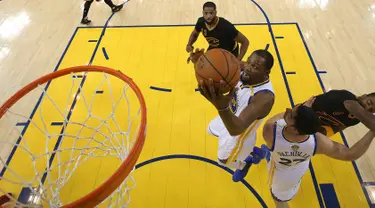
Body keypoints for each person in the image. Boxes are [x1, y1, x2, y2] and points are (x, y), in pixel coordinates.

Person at [262, 98, 375, 208]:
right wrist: (372, 132)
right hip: (298, 169)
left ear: (295, 130)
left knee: (278, 200)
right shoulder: (318, 141)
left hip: (280, 176)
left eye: (290, 113)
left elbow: (273, 120)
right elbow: (351, 154)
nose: (287, 110)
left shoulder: (270, 132)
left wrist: (302, 110)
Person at [198, 49, 274, 182]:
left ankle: (245, 163)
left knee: (222, 161)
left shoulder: (264, 97)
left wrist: (221, 106)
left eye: (255, 67)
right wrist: (200, 63)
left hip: (239, 133)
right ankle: (254, 152)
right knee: (210, 129)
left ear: (266, 73)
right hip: (229, 116)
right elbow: (219, 70)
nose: (248, 67)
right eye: (249, 61)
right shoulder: (244, 69)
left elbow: (236, 129)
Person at [307, 90, 375, 136]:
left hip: (318, 126)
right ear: (364, 96)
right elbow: (313, 102)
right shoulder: (342, 97)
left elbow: (340, 127)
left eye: (371, 110)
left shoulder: (357, 119)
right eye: (369, 103)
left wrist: (323, 134)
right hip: (308, 112)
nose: (367, 108)